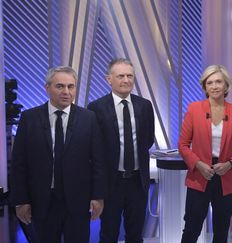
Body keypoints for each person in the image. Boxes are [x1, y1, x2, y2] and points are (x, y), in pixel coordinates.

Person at [10, 66, 106, 243]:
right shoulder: (29, 118)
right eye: (60, 86)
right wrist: (21, 200)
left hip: (78, 201)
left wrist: (98, 196)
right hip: (42, 202)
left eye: (71, 86)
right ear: (47, 88)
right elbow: (19, 164)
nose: (66, 92)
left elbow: (99, 161)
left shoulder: (89, 119)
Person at [178, 65, 232, 243]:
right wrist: (198, 164)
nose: (214, 86)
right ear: (204, 87)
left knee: (221, 230)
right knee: (192, 228)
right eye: (209, 82)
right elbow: (183, 145)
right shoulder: (194, 109)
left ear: (226, 85)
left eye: (218, 81)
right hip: (199, 175)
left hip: (226, 175)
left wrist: (230, 164)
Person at [87, 58, 155, 243]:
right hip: (111, 183)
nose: (126, 80)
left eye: (130, 76)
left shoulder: (145, 106)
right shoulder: (95, 108)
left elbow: (148, 140)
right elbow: (94, 149)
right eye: (121, 76)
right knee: (109, 234)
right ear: (109, 79)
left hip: (137, 181)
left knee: (135, 234)